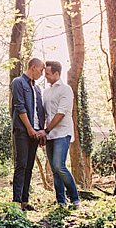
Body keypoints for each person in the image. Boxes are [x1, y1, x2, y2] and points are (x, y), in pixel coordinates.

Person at [43, 60, 81, 208]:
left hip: (62, 133)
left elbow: (61, 114)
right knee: (54, 169)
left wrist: (46, 130)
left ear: (56, 74)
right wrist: (43, 133)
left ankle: (75, 198)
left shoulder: (66, 90)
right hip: (49, 135)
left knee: (59, 165)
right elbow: (44, 114)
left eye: (47, 73)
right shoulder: (46, 92)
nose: (45, 76)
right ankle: (61, 201)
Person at [11, 57, 46, 211]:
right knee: (21, 164)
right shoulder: (18, 82)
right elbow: (20, 107)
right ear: (33, 67)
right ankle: (16, 201)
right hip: (23, 131)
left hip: (35, 133)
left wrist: (40, 131)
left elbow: (40, 112)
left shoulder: (37, 89)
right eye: (41, 69)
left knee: (29, 166)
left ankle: (25, 201)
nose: (42, 73)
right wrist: (29, 128)